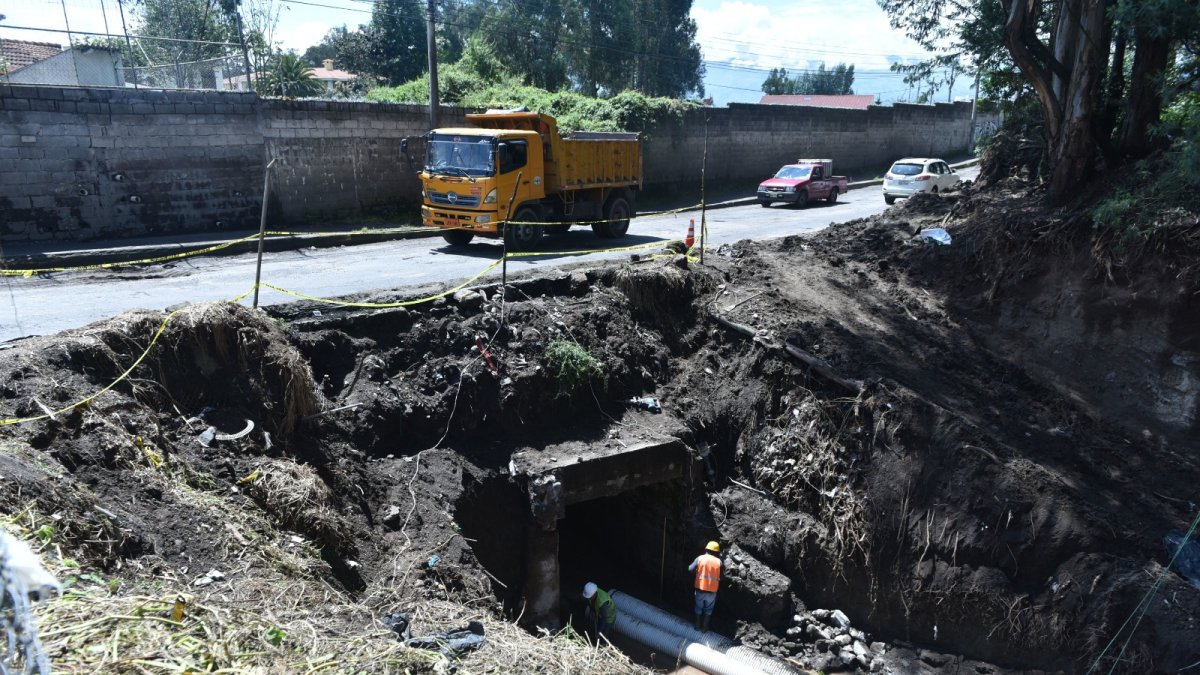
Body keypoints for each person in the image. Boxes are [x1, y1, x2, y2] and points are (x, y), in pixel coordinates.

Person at [688, 540, 722, 631]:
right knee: (709, 610)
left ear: (706, 549)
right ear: (716, 552)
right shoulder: (719, 562)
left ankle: (697, 626)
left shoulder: (700, 558)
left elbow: (690, 569)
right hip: (712, 591)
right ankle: (705, 627)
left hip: (700, 589)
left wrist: (697, 570)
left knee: (698, 607)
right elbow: (722, 575)